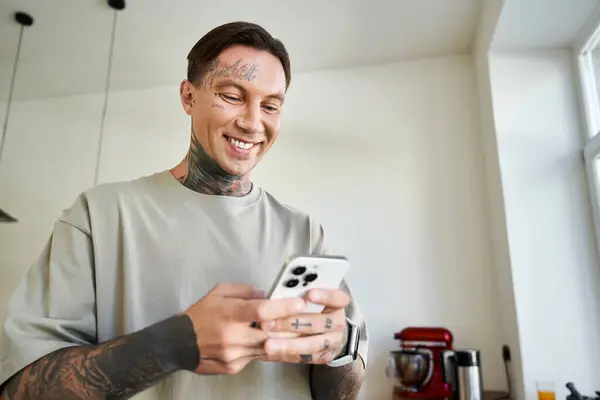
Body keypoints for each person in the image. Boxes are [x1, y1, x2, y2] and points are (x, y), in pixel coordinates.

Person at [0, 21, 368, 400]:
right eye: (232, 95)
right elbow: (19, 390)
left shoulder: (305, 233)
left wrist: (340, 349)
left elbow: (340, 394)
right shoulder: (99, 216)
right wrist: (170, 345)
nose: (253, 122)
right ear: (189, 97)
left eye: (270, 106)